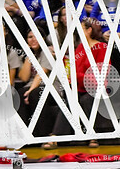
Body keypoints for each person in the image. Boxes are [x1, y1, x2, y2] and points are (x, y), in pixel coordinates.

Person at [42, 18, 112, 149]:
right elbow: (74, 68)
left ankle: (91, 135)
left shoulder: (102, 47)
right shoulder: (80, 47)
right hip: (80, 86)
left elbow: (101, 73)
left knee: (86, 99)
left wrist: (77, 76)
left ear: (89, 30)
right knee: (70, 99)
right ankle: (57, 136)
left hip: (95, 87)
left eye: (81, 28)